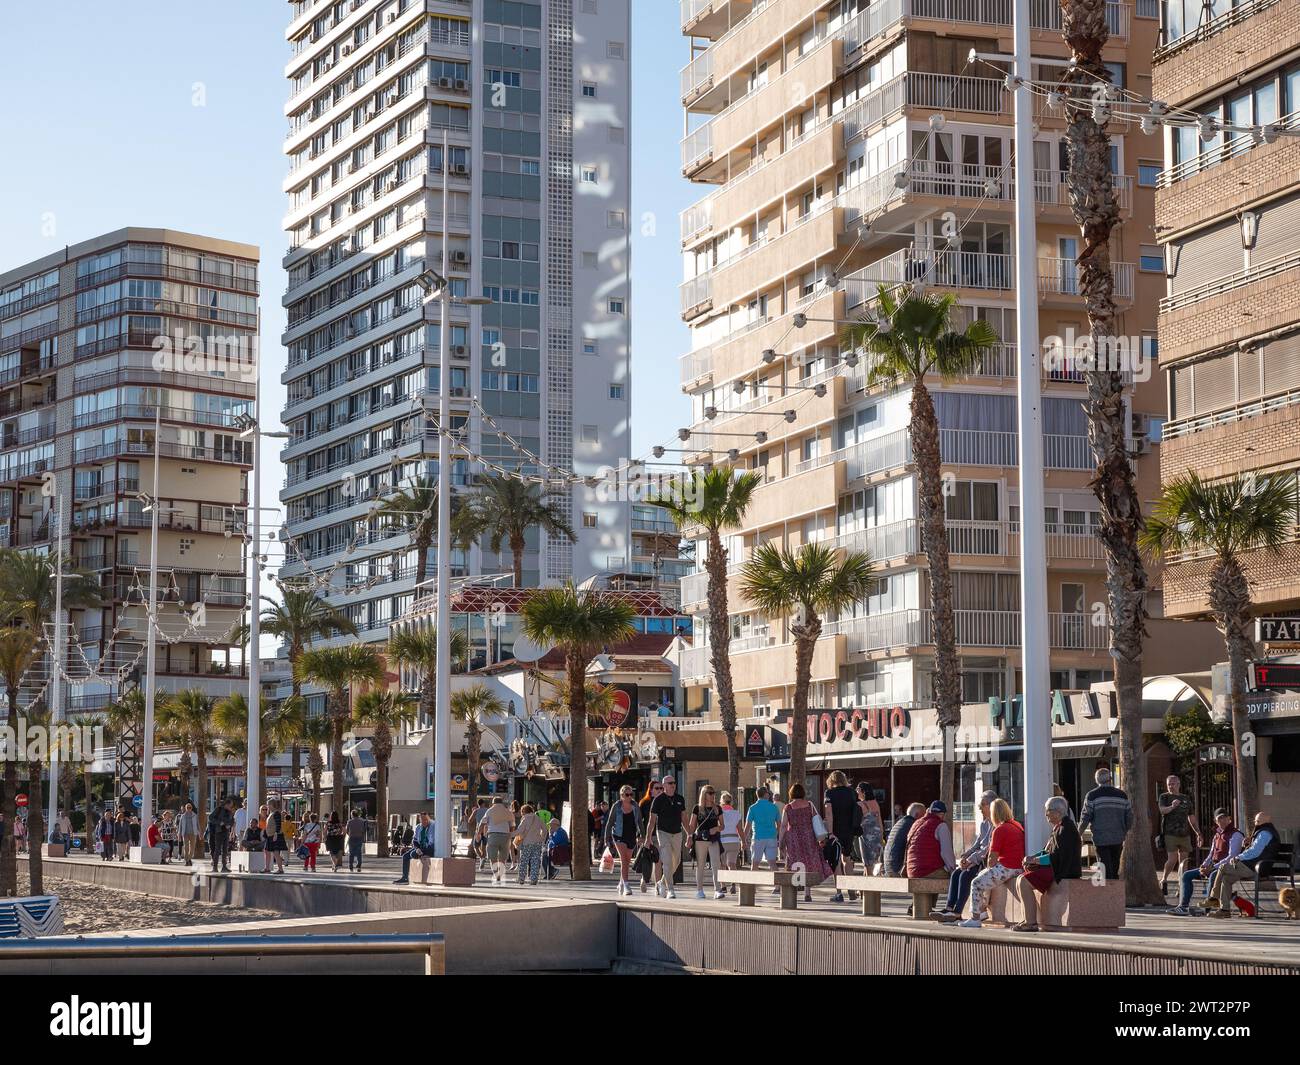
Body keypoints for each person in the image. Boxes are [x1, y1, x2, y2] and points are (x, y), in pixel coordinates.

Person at [1012, 796, 1082, 932]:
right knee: (1021, 878)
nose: (1046, 814)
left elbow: (1056, 857)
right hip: (1055, 867)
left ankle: (1031, 922)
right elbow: (1047, 850)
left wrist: (1035, 861)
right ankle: (1027, 918)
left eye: (1048, 811)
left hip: (1063, 871)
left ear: (1057, 812)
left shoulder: (1066, 829)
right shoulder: (1059, 827)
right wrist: (1033, 857)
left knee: (1024, 881)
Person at [958, 798, 1026, 928]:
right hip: (1018, 867)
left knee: (976, 882)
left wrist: (989, 867)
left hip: (1007, 867)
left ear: (994, 813)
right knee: (984, 875)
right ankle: (982, 911)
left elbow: (992, 859)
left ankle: (975, 918)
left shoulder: (999, 830)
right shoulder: (1016, 825)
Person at [1204, 811, 1282, 917]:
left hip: (1256, 867)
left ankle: (1213, 898)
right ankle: (1224, 910)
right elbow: (1256, 850)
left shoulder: (1264, 833)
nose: (1255, 822)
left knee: (1223, 867)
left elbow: (1255, 852)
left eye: (1257, 820)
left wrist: (1238, 857)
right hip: (1254, 866)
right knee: (1226, 879)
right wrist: (1248, 844)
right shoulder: (1264, 831)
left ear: (1261, 821)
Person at [934, 790, 997, 920]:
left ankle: (957, 911)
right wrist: (965, 856)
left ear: (992, 806)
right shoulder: (984, 824)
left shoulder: (997, 825)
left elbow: (987, 849)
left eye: (982, 805)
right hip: (976, 859)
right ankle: (949, 908)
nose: (979, 808)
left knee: (965, 874)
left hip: (986, 862)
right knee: (956, 873)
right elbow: (977, 844)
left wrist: (970, 859)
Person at [1168, 808, 1241, 915]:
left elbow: (1232, 856)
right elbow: (1211, 854)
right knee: (1186, 875)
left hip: (1228, 867)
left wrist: (1213, 868)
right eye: (1219, 819)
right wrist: (1203, 866)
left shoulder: (1236, 834)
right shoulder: (1216, 835)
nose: (1222, 821)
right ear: (1215, 821)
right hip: (1213, 866)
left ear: (1229, 819)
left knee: (1212, 875)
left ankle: (1206, 909)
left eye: (1225, 818)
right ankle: (1183, 906)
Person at [779, 783, 832, 903]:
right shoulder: (809, 805)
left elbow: (783, 825)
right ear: (803, 793)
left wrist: (781, 840)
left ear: (791, 793)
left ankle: (795, 888)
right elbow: (816, 820)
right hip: (809, 835)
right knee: (808, 862)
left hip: (793, 837)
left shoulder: (788, 807)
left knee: (795, 861)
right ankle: (807, 893)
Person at [1078, 767, 1132, 881]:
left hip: (1100, 837)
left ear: (1097, 780)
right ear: (1110, 779)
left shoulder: (1092, 795)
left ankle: (1108, 893)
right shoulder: (1122, 795)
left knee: (1104, 867)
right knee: (1115, 865)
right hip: (1118, 837)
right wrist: (1125, 830)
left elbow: (1085, 817)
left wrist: (1079, 833)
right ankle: (1114, 892)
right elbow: (1129, 817)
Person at [1157, 774, 1202, 895]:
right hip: (1170, 833)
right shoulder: (1164, 796)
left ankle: (1181, 886)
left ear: (1178, 784)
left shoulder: (1185, 798)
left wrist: (1198, 833)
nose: (1171, 786)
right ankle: (1164, 879)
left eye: (1173, 784)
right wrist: (1172, 806)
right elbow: (1162, 810)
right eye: (1169, 784)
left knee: (1184, 862)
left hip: (1185, 834)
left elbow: (1191, 817)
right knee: (1172, 859)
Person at [645, 774, 688, 899]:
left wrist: (690, 834)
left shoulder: (680, 798)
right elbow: (651, 821)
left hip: (678, 833)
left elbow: (684, 818)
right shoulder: (658, 800)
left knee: (677, 861)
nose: (673, 785)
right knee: (667, 861)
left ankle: (661, 882)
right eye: (670, 783)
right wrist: (648, 838)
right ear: (664, 786)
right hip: (663, 833)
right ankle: (671, 889)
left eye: (674, 782)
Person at [822, 770, 860, 902]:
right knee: (847, 859)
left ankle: (839, 893)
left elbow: (829, 813)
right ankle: (851, 889)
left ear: (831, 781)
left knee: (835, 861)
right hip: (849, 830)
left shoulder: (830, 793)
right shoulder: (852, 792)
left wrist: (830, 832)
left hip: (836, 830)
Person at [687, 785, 725, 900]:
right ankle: (699, 890)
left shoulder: (717, 808)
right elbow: (692, 826)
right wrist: (689, 837)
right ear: (704, 794)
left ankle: (717, 890)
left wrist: (716, 829)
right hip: (700, 840)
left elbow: (723, 826)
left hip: (713, 839)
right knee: (701, 865)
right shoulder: (697, 808)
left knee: (716, 864)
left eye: (713, 792)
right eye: (710, 793)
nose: (713, 795)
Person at [604, 785, 643, 895]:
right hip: (618, 835)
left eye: (631, 794)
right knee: (624, 860)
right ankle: (626, 885)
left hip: (631, 836)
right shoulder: (617, 806)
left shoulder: (635, 805)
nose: (629, 796)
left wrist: (642, 836)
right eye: (627, 794)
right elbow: (610, 822)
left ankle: (621, 883)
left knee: (627, 861)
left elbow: (640, 821)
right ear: (621, 796)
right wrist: (606, 839)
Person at [905, 801, 957, 879]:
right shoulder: (941, 825)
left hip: (911, 872)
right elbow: (946, 852)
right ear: (942, 814)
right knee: (958, 879)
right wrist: (953, 869)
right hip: (928, 871)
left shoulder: (916, 823)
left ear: (929, 811)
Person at [478, 795, 515, 885]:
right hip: (505, 836)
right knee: (503, 858)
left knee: (492, 857)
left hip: (493, 835)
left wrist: (479, 833)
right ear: (501, 803)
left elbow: (482, 823)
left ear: (493, 803)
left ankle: (496, 874)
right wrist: (510, 834)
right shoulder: (508, 812)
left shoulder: (490, 811)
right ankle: (500, 873)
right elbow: (512, 825)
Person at [744, 786, 781, 876]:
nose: (769, 795)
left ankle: (753, 887)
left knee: (755, 864)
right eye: (768, 793)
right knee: (772, 863)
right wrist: (776, 833)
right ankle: (777, 886)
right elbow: (779, 824)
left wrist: (743, 839)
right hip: (771, 838)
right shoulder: (774, 807)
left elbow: (747, 826)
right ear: (765, 794)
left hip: (758, 838)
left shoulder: (752, 808)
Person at [393, 811, 436, 884]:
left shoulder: (433, 826)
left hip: (429, 848)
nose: (424, 822)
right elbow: (415, 840)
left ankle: (423, 880)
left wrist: (423, 851)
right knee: (405, 856)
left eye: (426, 820)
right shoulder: (418, 827)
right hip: (420, 847)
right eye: (422, 820)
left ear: (428, 819)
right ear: (420, 820)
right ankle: (405, 878)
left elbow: (432, 843)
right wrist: (417, 848)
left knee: (413, 854)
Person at [884, 802, 923, 877]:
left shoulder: (900, 822)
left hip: (888, 866)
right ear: (917, 815)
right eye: (923, 816)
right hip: (898, 868)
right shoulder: (912, 825)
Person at [638, 781, 664, 891]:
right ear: (651, 789)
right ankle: (644, 880)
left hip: (660, 835)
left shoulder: (664, 801)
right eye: (657, 788)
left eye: (661, 788)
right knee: (646, 860)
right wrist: (640, 836)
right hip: (648, 836)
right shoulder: (644, 803)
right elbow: (639, 821)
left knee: (658, 861)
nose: (659, 790)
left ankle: (657, 885)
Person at [514, 804, 548, 885]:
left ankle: (521, 879)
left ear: (523, 811)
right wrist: (542, 839)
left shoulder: (525, 819)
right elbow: (545, 829)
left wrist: (510, 835)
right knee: (535, 861)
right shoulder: (537, 818)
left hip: (527, 843)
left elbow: (519, 831)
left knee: (524, 861)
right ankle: (533, 879)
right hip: (537, 843)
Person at [855, 782, 884, 871]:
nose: (856, 791)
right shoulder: (875, 803)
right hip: (878, 834)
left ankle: (869, 882)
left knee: (867, 863)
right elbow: (879, 820)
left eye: (858, 789)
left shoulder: (860, 804)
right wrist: (882, 835)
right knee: (875, 861)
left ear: (863, 791)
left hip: (866, 835)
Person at [719, 792, 743, 893]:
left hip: (722, 841)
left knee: (722, 865)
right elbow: (740, 829)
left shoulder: (719, 813)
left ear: (721, 801)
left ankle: (723, 886)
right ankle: (733, 884)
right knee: (732, 864)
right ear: (731, 801)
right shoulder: (737, 813)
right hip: (734, 841)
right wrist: (744, 841)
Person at [207, 800, 233, 872]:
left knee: (225, 850)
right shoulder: (218, 809)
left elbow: (232, 820)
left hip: (226, 832)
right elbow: (210, 817)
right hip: (219, 832)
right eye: (230, 805)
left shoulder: (230, 811)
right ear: (226, 804)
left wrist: (229, 825)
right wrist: (219, 822)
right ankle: (215, 867)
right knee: (217, 850)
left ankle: (224, 867)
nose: (231, 807)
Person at [469, 798, 490, 869]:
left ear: (478, 804)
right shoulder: (488, 810)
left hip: (478, 830)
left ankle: (481, 858)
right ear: (483, 803)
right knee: (484, 847)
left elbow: (470, 820)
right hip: (486, 830)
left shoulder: (476, 811)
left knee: (475, 846)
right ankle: (482, 859)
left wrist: (473, 813)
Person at [345, 808, 367, 872]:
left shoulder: (349, 821)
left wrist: (350, 834)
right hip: (359, 837)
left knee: (351, 853)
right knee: (359, 853)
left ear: (352, 815)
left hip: (351, 838)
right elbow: (364, 830)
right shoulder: (362, 821)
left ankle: (351, 866)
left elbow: (347, 830)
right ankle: (359, 866)